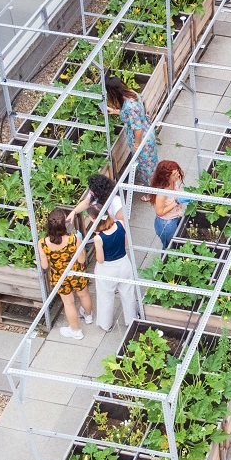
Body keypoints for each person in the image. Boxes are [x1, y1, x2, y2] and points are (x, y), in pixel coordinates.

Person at [38, 210, 94, 340]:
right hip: (76, 272)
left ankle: (75, 330)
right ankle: (88, 316)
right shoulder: (74, 238)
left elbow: (45, 266)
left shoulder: (42, 243)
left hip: (59, 276)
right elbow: (81, 260)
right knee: (84, 294)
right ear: (64, 224)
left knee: (68, 303)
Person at [106, 76, 158, 202]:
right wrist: (115, 111)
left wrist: (136, 144)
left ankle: (152, 194)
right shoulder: (132, 94)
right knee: (151, 164)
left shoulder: (129, 107)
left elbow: (137, 128)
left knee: (146, 168)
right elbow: (134, 115)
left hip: (142, 140)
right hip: (148, 132)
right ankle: (155, 186)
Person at [91, 207, 139, 331]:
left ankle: (106, 324)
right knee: (128, 293)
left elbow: (100, 259)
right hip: (123, 263)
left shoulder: (98, 238)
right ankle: (131, 320)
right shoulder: (121, 224)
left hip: (107, 268)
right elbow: (125, 243)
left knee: (105, 296)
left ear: (94, 220)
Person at [151, 160, 189, 250]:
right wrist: (176, 202)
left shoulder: (172, 182)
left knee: (177, 243)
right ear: (166, 177)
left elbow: (176, 191)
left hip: (176, 217)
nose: (177, 176)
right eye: (174, 175)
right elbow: (160, 212)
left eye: (177, 173)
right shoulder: (161, 193)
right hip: (167, 224)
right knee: (170, 247)